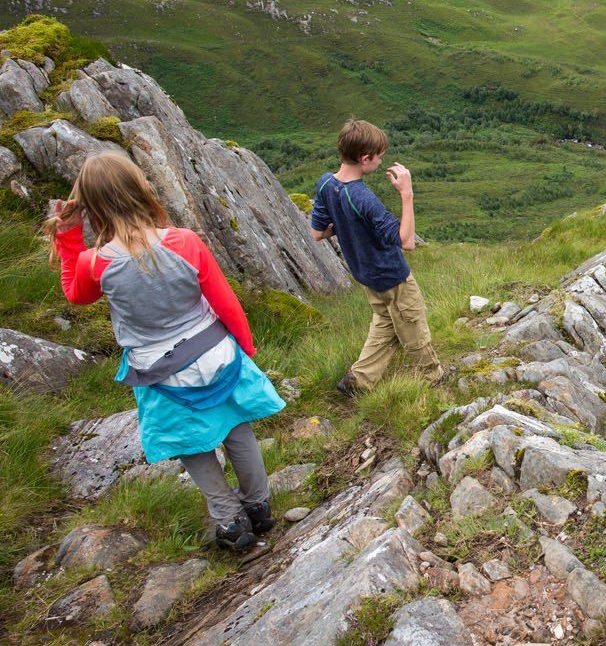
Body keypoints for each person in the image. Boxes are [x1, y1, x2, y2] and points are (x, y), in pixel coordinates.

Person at [47, 152, 285, 551]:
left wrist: (69, 235)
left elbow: (75, 294)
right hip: (216, 356)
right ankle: (258, 506)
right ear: (141, 188)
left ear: (92, 206)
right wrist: (245, 349)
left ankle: (230, 522)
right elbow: (225, 302)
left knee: (192, 445)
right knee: (236, 427)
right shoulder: (185, 242)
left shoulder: (95, 264)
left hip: (161, 374)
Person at [309, 119, 442, 394]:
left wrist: (345, 226)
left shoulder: (325, 184)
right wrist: (407, 193)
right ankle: (434, 379)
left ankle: (359, 380)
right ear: (365, 158)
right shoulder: (363, 198)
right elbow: (406, 242)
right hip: (392, 275)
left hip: (366, 276)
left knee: (385, 323)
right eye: (379, 157)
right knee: (412, 325)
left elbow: (318, 233)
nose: (381, 162)